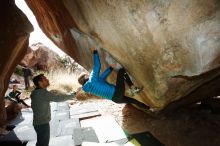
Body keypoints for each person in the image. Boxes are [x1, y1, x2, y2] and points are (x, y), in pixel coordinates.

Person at [78, 49, 149, 109]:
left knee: (134, 101)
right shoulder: (91, 80)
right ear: (85, 77)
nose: (88, 74)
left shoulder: (91, 87)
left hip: (116, 99)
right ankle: (132, 88)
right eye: (86, 74)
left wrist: (110, 68)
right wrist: (95, 52)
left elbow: (102, 78)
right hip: (117, 92)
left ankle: (150, 109)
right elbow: (97, 65)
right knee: (121, 71)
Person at [31, 74, 76, 146]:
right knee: (43, 144)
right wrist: (74, 94)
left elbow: (57, 97)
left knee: (41, 143)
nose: (47, 80)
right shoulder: (42, 93)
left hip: (39, 123)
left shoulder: (37, 92)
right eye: (45, 79)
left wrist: (71, 94)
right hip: (42, 124)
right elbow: (58, 98)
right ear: (40, 83)